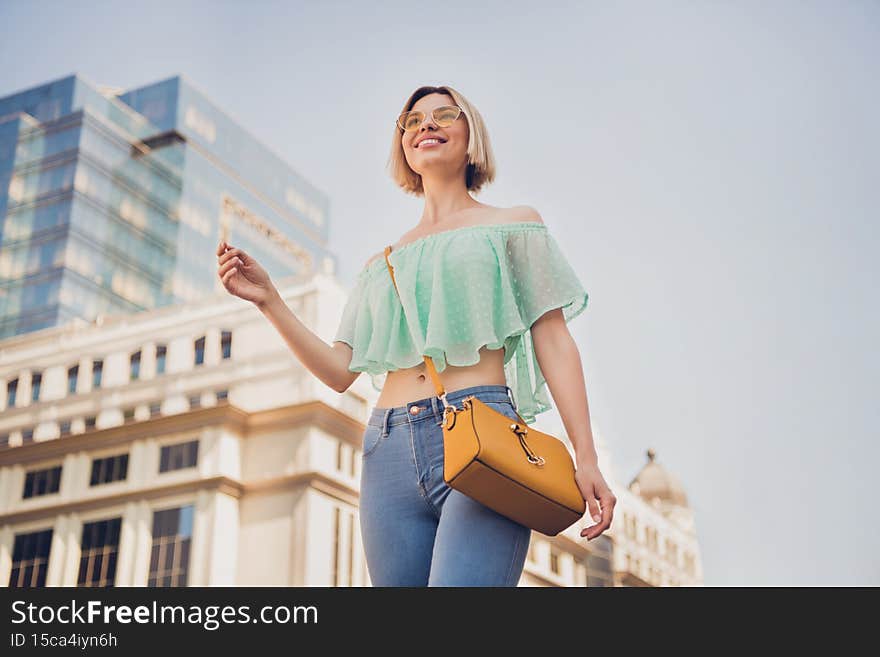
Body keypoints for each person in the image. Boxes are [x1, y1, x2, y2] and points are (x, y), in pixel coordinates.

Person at [216, 85, 616, 587]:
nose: (426, 124)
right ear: (403, 144)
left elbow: (553, 340)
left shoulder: (513, 226)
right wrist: (269, 299)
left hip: (482, 433)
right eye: (412, 120)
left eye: (444, 115)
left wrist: (587, 457)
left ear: (471, 136)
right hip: (388, 450)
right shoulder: (380, 263)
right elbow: (340, 371)